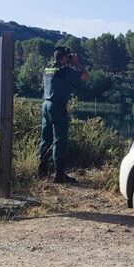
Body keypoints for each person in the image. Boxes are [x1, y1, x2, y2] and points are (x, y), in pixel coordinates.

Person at [38, 46, 90, 183]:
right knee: (60, 141)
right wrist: (76, 63)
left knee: (45, 139)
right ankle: (59, 174)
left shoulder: (47, 69)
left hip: (45, 105)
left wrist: (69, 61)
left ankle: (41, 171)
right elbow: (86, 76)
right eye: (68, 56)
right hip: (57, 107)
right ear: (63, 58)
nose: (69, 58)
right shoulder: (66, 71)